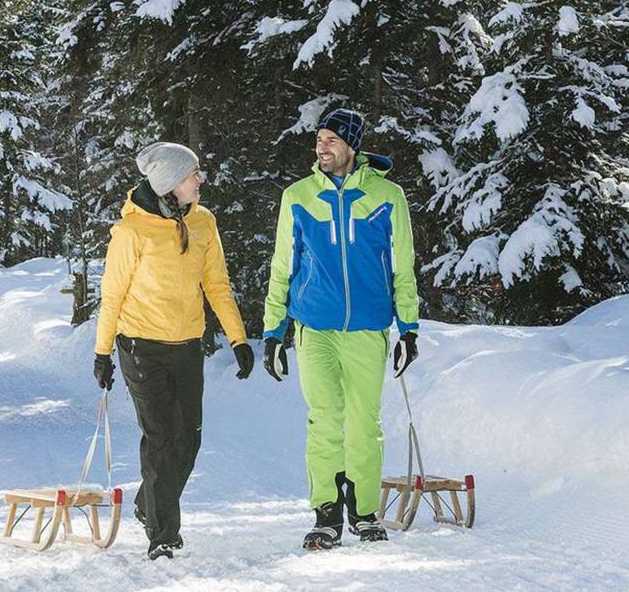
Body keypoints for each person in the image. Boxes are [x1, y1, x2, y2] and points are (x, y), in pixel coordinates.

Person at [262, 108, 420, 550]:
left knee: (364, 423)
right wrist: (274, 331)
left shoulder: (387, 196)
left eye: (332, 140)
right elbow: (282, 265)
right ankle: (327, 514)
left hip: (368, 327)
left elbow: (403, 265)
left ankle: (364, 513)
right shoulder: (298, 196)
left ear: (352, 145)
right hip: (315, 327)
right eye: (319, 140)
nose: (322, 147)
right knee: (325, 420)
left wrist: (408, 328)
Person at [93, 141, 254, 560]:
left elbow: (216, 284)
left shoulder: (203, 222)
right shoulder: (132, 231)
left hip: (186, 347)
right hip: (141, 347)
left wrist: (238, 339)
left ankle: (150, 503)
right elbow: (112, 295)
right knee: (162, 439)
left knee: (188, 442)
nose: (200, 180)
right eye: (191, 175)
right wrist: (102, 353)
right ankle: (163, 534)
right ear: (168, 182)